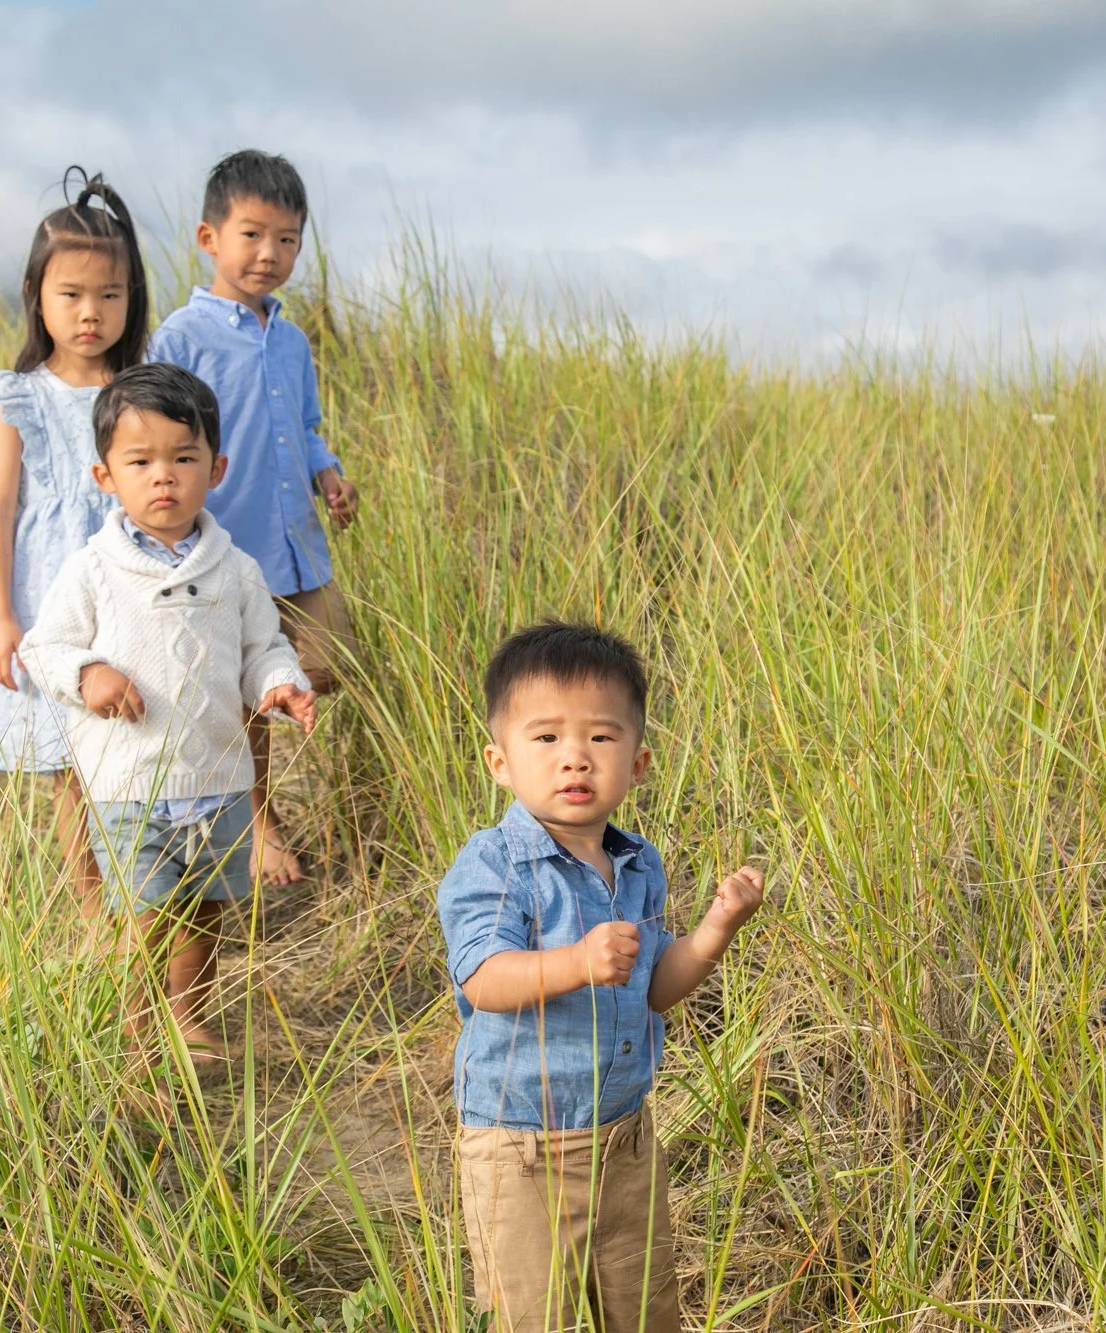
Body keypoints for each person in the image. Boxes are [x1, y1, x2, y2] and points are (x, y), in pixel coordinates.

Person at [437, 623, 766, 1333]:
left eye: (601, 737)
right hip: (522, 1150)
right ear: (500, 761)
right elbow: (484, 978)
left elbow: (653, 987)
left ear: (638, 762)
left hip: (625, 1140)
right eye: (546, 737)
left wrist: (717, 928)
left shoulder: (638, 863)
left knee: (645, 1309)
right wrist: (576, 962)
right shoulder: (495, 864)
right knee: (534, 1318)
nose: (575, 757)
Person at [19, 363, 316, 1065]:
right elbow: (43, 648)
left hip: (217, 777)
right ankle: (137, 1034)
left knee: (205, 913)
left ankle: (191, 1017)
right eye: (141, 461)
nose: (164, 477)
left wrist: (280, 683)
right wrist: (87, 673)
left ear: (216, 469)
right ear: (105, 476)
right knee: (147, 916)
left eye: (183, 459)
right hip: (130, 783)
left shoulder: (235, 569)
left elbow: (263, 648)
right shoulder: (94, 568)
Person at [148, 149, 359, 889]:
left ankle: (257, 791)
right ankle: (258, 820)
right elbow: (159, 437)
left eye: (287, 239)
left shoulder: (292, 340)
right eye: (252, 235)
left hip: (298, 546)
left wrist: (327, 472)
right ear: (210, 239)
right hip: (229, 554)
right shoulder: (183, 336)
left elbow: (305, 425)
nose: (270, 253)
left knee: (328, 663)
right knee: (249, 696)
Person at [0, 168, 149, 920]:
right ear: (36, 295)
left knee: (140, 750)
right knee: (69, 768)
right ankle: (92, 915)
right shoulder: (20, 397)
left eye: (109, 295)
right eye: (71, 294)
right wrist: (0, 617)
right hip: (50, 601)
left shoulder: (142, 389)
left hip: (130, 591)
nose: (90, 313)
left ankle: (150, 900)